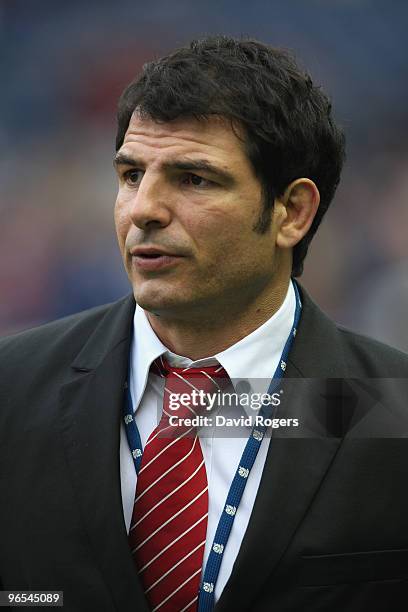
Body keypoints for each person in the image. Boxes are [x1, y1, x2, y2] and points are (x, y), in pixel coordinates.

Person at [1, 35, 408, 612]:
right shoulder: (12, 390)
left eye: (194, 179)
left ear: (292, 212)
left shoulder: (392, 408)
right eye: (132, 174)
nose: (144, 208)